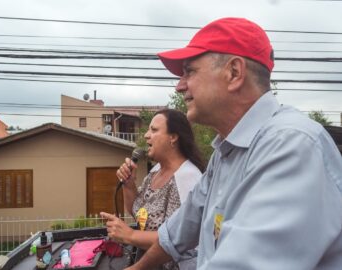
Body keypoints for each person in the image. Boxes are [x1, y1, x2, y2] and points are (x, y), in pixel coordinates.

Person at [126, 17, 342, 270]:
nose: (179, 85)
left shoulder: (291, 146)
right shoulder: (226, 153)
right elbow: (177, 233)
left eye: (190, 71)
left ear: (234, 73)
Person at [100, 108, 205, 270]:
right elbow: (137, 212)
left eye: (154, 130)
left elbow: (180, 236)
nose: (146, 135)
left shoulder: (187, 177)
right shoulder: (155, 171)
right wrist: (129, 185)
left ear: (173, 137)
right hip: (148, 262)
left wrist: (131, 235)